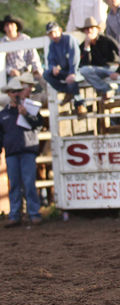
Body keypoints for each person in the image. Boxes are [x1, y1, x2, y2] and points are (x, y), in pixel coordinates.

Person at [77, 17, 120, 132]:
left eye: (92, 28)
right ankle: (106, 89)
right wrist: (87, 48)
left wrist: (117, 71)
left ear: (97, 29)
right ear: (84, 31)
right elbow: (83, 66)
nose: (89, 31)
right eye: (87, 29)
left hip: (112, 68)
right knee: (84, 71)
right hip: (97, 72)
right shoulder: (82, 47)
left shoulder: (107, 40)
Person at [0, 77, 43, 227]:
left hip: (27, 150)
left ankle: (32, 213)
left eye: (18, 91)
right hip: (13, 151)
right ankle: (16, 213)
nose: (16, 93)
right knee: (15, 184)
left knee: (28, 182)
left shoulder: (30, 108)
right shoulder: (3, 114)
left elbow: (38, 124)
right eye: (13, 91)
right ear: (9, 94)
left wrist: (26, 114)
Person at [42, 22, 87, 119]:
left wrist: (72, 72)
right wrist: (53, 67)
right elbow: (51, 60)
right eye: (50, 33)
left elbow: (74, 58)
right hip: (65, 71)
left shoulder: (69, 40)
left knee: (72, 81)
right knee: (46, 74)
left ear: (60, 31)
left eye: (54, 32)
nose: (53, 35)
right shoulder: (52, 46)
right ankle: (69, 92)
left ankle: (79, 104)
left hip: (78, 70)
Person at [0, 14, 43, 80]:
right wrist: (10, 70)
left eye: (12, 24)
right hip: (11, 76)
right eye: (7, 25)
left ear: (16, 26)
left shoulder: (25, 39)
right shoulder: (2, 42)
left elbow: (34, 57)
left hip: (27, 72)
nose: (10, 27)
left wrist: (37, 70)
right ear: (4, 28)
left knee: (42, 81)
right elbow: (2, 63)